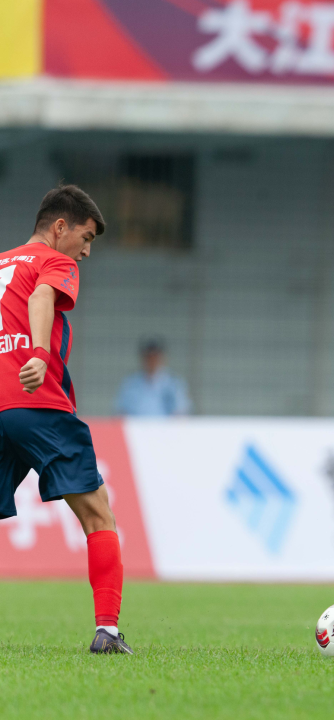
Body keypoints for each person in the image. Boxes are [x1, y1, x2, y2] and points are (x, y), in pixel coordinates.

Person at [0, 185, 131, 654]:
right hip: (36, 404)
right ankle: (107, 632)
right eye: (86, 237)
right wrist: (38, 353)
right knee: (98, 514)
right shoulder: (53, 262)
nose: (86, 251)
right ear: (60, 227)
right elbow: (41, 297)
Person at [114, 338, 191, 416]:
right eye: (149, 357)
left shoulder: (174, 383)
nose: (152, 360)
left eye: (155, 356)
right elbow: (120, 411)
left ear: (162, 357)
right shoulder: (130, 383)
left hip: (164, 423)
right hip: (138, 423)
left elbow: (182, 411)